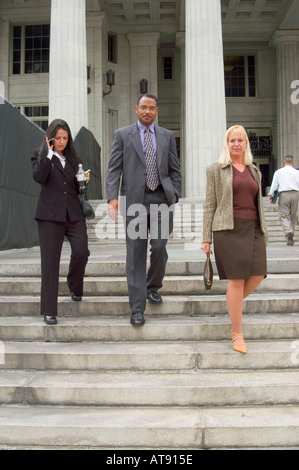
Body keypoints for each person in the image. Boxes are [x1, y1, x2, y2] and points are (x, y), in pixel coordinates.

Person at [106, 94, 181, 327]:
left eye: (151, 108)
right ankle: (137, 308)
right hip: (135, 201)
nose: (147, 111)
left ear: (156, 110)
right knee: (136, 253)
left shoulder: (167, 136)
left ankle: (152, 286)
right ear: (136, 109)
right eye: (143, 107)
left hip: (161, 198)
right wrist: (112, 197)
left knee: (159, 247)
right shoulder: (122, 135)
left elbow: (175, 168)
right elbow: (114, 168)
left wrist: (175, 191)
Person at [201, 125, 268, 353]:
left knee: (258, 274)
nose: (237, 144)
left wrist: (263, 231)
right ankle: (237, 333)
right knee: (237, 280)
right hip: (228, 230)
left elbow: (258, 202)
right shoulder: (216, 170)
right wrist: (205, 238)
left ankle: (233, 302)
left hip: (254, 228)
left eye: (241, 140)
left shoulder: (254, 171)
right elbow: (210, 204)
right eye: (232, 141)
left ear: (246, 144)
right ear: (227, 144)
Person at [31, 119, 90, 325]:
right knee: (49, 263)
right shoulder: (40, 156)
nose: (62, 142)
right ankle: (49, 311)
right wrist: (47, 154)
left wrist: (83, 181)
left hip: (73, 215)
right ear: (50, 138)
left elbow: (75, 186)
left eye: (65, 138)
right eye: (58, 138)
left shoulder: (74, 158)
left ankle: (74, 285)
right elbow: (39, 177)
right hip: (49, 216)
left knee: (82, 251)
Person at [268, 155, 299, 246]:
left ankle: (288, 231)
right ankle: (290, 237)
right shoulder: (297, 172)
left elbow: (274, 185)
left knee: (283, 215)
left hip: (284, 194)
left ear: (284, 162)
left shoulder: (279, 172)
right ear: (292, 163)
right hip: (296, 194)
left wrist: (271, 195)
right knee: (293, 216)